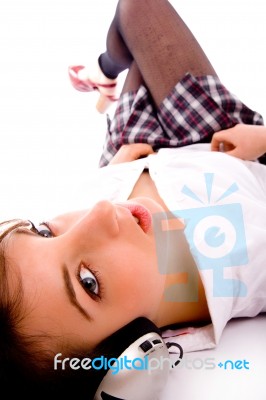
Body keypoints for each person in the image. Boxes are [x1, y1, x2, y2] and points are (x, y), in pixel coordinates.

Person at [1, 0, 266, 399]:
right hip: (219, 142)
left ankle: (105, 72)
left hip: (135, 157)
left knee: (135, 8)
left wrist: (114, 170)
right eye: (89, 281)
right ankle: (105, 74)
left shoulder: (105, 207)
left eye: (44, 231)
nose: (98, 214)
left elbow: (100, 200)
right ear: (132, 356)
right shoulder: (251, 261)